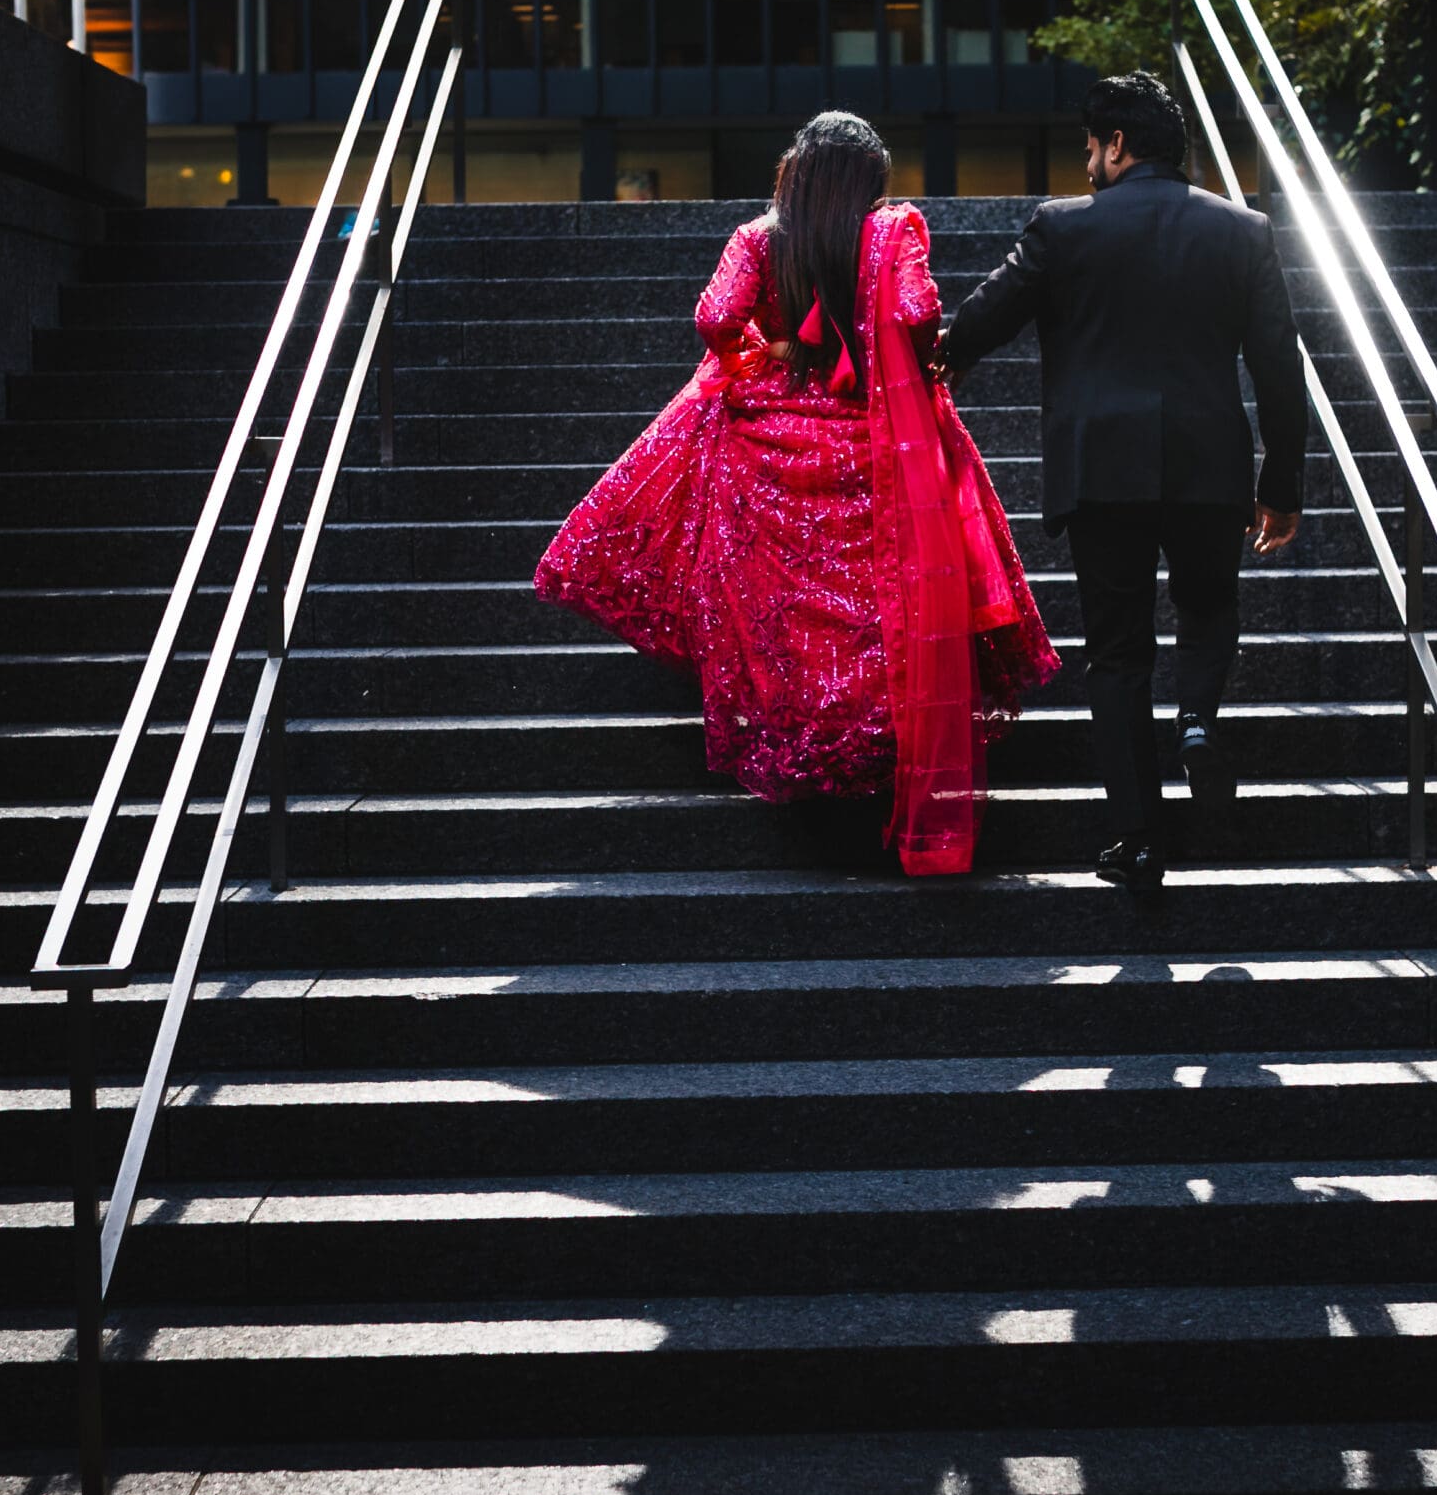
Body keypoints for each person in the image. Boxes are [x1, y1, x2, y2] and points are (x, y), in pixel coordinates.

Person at [536, 112, 1058, 876]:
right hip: (866, 435)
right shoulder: (890, 235)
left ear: (797, 170)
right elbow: (917, 313)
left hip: (768, 433)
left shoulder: (758, 238)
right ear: (866, 183)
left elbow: (715, 318)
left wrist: (768, 349)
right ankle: (881, 738)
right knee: (878, 598)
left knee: (781, 609)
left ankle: (803, 742)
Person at [940, 71, 1305, 891]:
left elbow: (983, 318)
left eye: (1092, 149)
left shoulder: (1064, 228)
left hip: (1102, 470)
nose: (1090, 164)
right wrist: (1282, 486)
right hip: (1210, 466)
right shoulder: (1244, 231)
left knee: (1116, 654)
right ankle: (1200, 724)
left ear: (1116, 146)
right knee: (1209, 609)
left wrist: (940, 360)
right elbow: (1281, 368)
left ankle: (1139, 840)